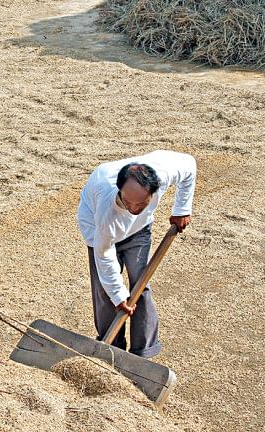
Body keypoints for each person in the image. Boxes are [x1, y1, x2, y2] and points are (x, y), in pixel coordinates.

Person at [77, 150, 196, 358]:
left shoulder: (164, 171)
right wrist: (118, 296)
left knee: (141, 284)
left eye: (141, 203)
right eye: (128, 201)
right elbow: (104, 254)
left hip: (139, 231)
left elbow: (190, 166)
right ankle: (111, 348)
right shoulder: (106, 207)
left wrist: (181, 209)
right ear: (119, 189)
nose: (133, 208)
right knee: (106, 291)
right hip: (97, 228)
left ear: (154, 191)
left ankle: (143, 351)